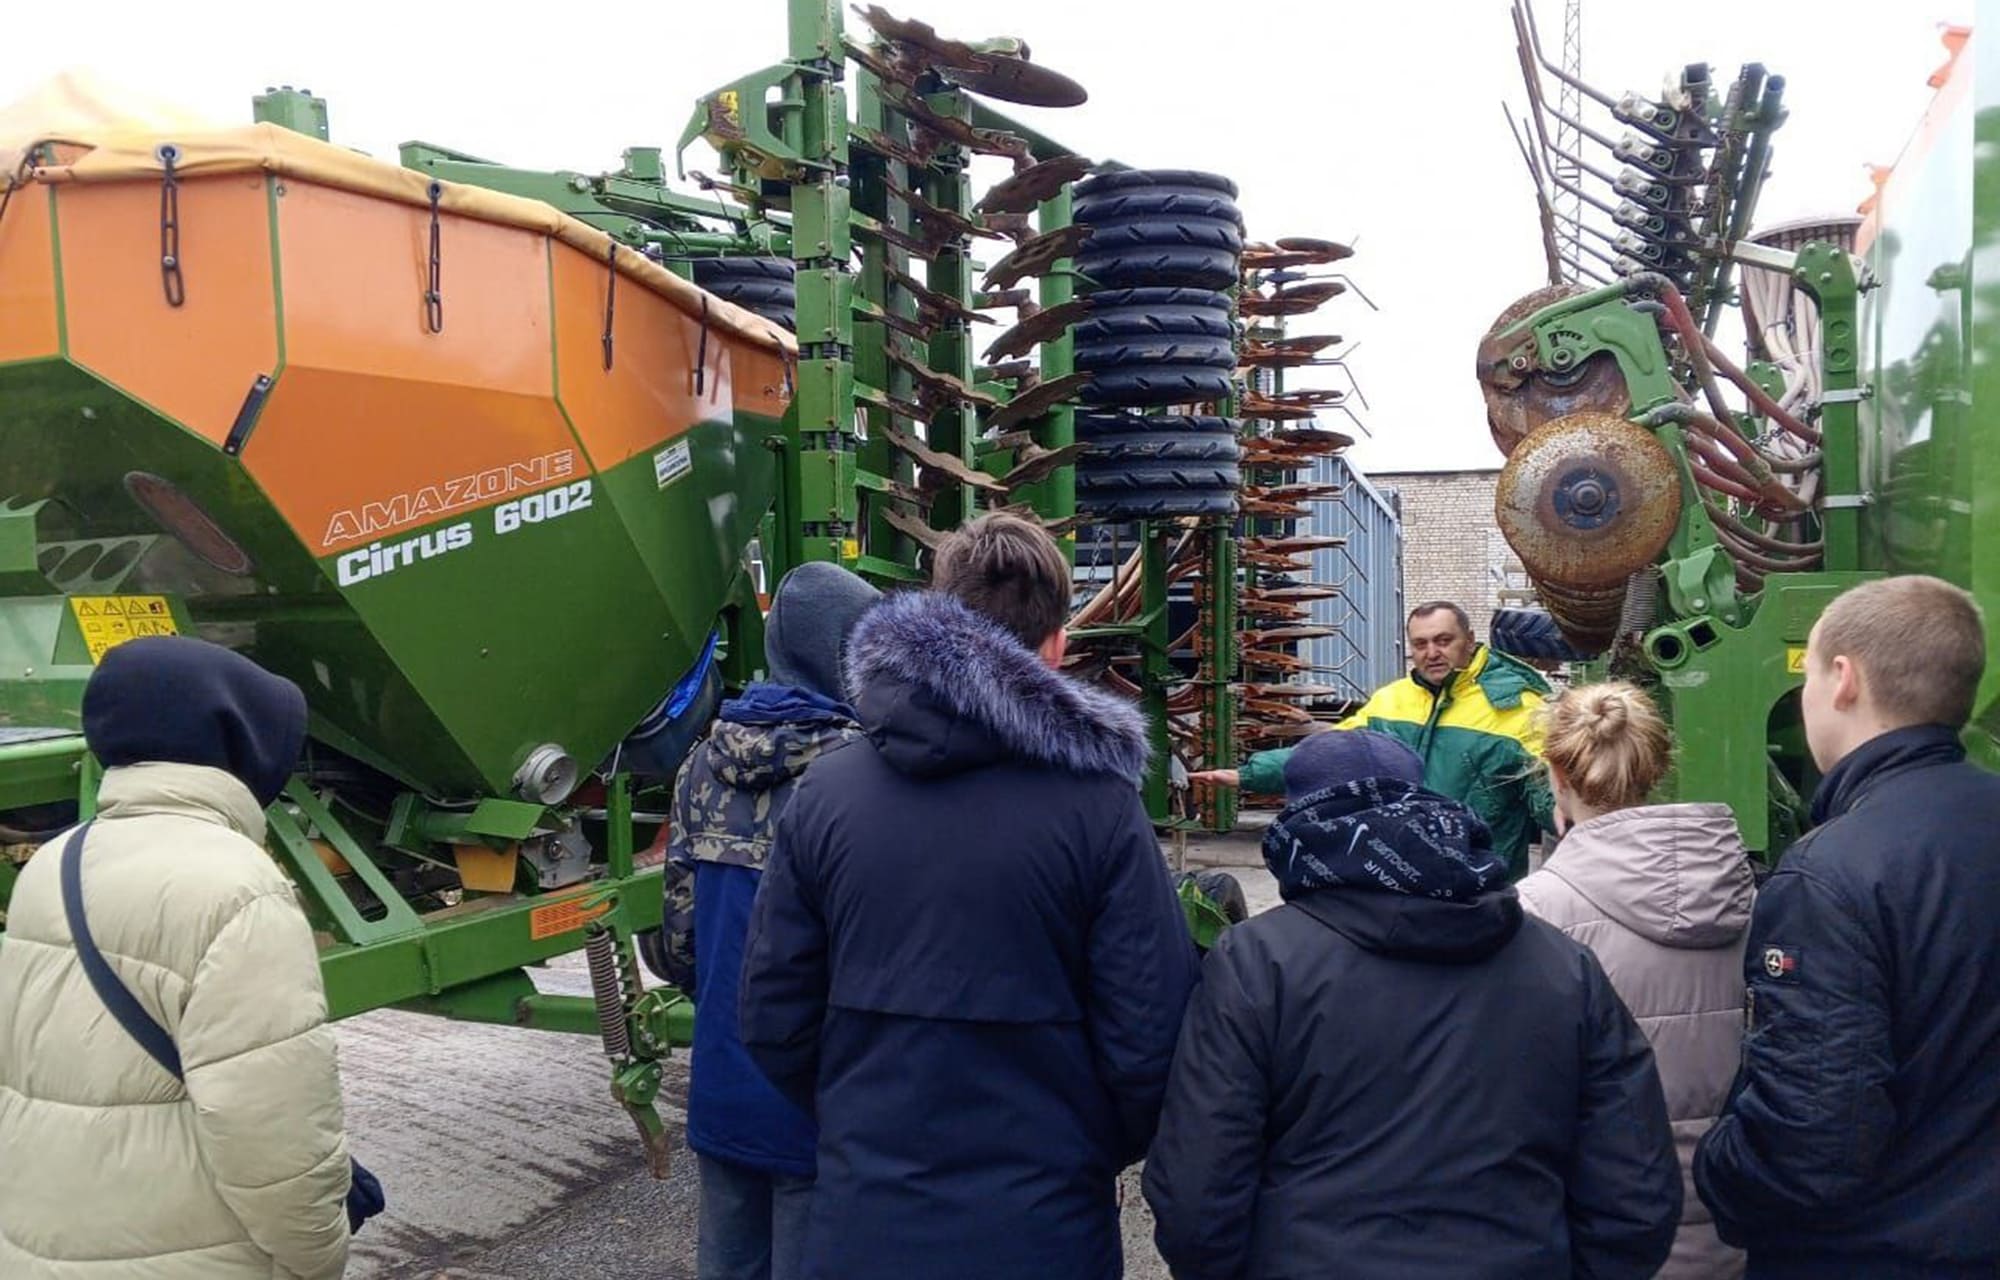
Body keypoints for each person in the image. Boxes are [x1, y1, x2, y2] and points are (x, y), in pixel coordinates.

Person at [740, 512, 1201, 1280]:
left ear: (941, 618)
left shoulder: (826, 791)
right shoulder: (1099, 805)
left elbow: (772, 1015)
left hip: (864, 1222)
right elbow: (1149, 1040)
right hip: (1042, 1228)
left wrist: (860, 1125)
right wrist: (1081, 1148)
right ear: (1055, 646)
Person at [1144, 728, 1682, 1280]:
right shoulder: (1563, 966)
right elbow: (1635, 1189)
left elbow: (1197, 1190)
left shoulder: (1259, 964)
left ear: (1298, 819)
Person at [0, 636, 351, 1279]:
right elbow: (272, 1132)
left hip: (40, 1247)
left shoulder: (56, 861)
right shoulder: (238, 888)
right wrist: (319, 1255)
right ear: (240, 746)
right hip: (187, 1255)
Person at [1694, 575, 2000, 1278]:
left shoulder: (1831, 871)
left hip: (1872, 1253)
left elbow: (1812, 1140)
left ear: (1842, 679)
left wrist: (1719, 1169)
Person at [659, 561, 880, 1280]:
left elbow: (679, 940)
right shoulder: (864, 775)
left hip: (724, 1088)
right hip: (824, 1098)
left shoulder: (700, 765)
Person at [1517, 682, 1754, 1279]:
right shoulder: (1747, 896)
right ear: (1656, 769)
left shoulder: (1531, 913)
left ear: (1555, 774)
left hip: (1599, 1232)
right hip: (1733, 1224)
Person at [1190, 601, 1555, 878]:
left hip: (1481, 884)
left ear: (1470, 642)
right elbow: (1332, 752)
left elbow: (1555, 796)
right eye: (1421, 643)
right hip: (1402, 877)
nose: (1432, 653)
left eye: (1444, 641)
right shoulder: (1391, 701)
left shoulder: (1519, 710)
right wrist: (1249, 775)